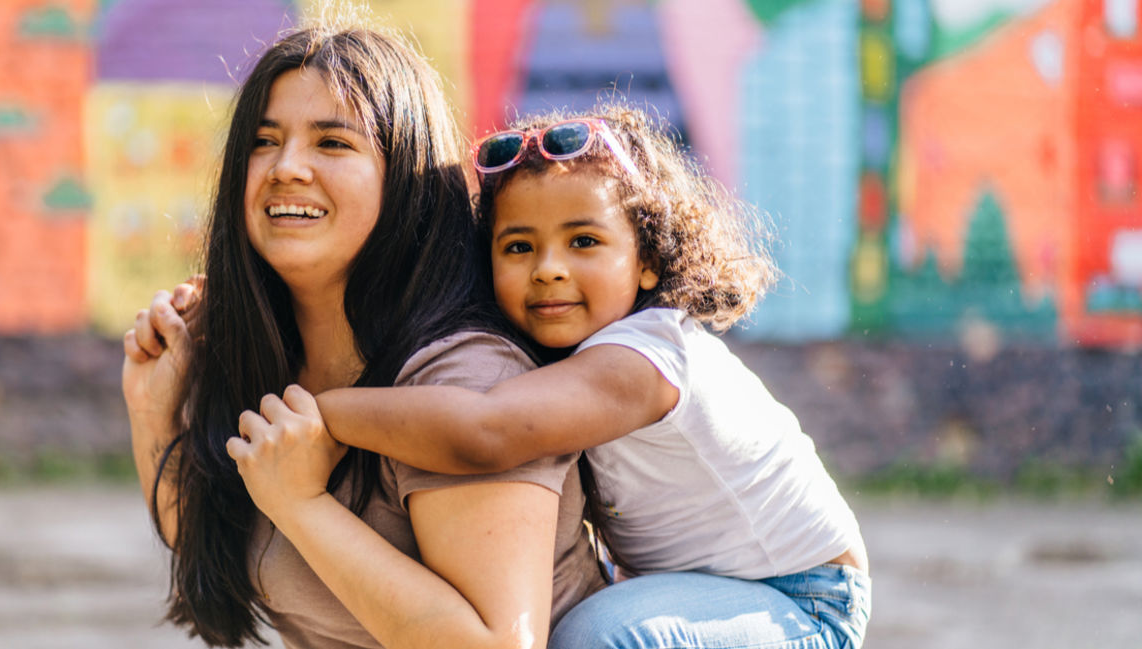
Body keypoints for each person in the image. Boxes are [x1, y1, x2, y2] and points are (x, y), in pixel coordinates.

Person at [272, 104, 872, 649]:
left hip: (804, 602)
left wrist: (319, 412)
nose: (549, 270)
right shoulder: (560, 353)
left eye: (583, 240)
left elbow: (484, 432)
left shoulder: (643, 357)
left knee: (593, 638)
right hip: (697, 592)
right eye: (517, 248)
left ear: (648, 261)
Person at [121, 22, 604, 649]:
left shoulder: (465, 379)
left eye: (332, 143)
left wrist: (301, 505)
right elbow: (212, 542)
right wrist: (152, 409)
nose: (286, 167)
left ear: (404, 177)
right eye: (265, 142)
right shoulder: (267, 356)